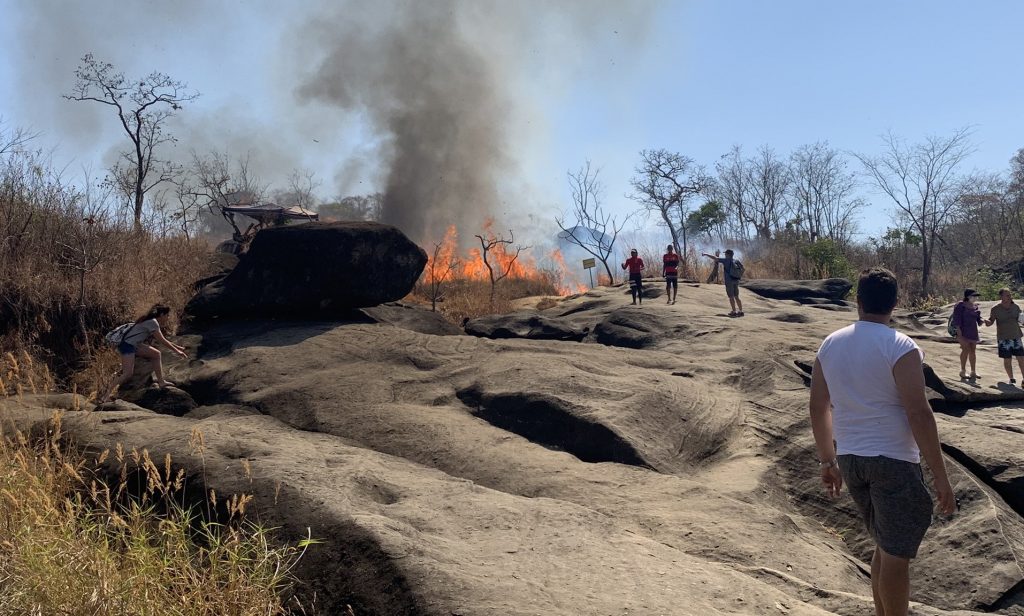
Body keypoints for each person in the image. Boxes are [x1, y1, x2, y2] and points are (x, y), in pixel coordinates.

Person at [810, 267, 955, 616]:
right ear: (895, 303)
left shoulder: (830, 344)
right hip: (892, 459)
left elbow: (818, 407)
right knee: (896, 556)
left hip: (851, 459)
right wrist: (940, 474)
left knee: (883, 545)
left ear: (857, 301)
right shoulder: (900, 346)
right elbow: (918, 413)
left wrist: (828, 461)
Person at [101, 304, 189, 402]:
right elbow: (162, 340)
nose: (168, 318)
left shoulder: (151, 321)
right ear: (162, 314)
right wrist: (177, 351)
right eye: (167, 315)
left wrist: (178, 347)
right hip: (127, 345)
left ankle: (161, 382)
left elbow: (163, 340)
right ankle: (106, 395)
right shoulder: (153, 322)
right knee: (127, 373)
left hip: (135, 344)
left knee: (156, 354)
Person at [984, 287, 1024, 384]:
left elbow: (1021, 319)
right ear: (1001, 296)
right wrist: (987, 322)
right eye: (1007, 295)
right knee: (1007, 359)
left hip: (1016, 336)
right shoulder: (995, 309)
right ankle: (1011, 379)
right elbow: (991, 321)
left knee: (1021, 359)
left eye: (1010, 295)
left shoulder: (1015, 307)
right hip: (1003, 338)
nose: (1009, 296)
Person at [951, 289, 983, 380]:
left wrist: (981, 321)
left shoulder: (975, 306)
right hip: (963, 331)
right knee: (965, 350)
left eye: (976, 296)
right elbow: (956, 318)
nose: (975, 298)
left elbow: (978, 318)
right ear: (968, 296)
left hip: (973, 331)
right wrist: (959, 332)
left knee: (973, 350)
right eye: (973, 296)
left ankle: (973, 371)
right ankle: (963, 371)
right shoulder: (960, 305)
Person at [701, 249, 743, 316]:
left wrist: (706, 254)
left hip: (729, 281)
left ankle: (734, 311)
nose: (725, 255)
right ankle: (740, 311)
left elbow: (715, 258)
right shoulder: (736, 261)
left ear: (728, 255)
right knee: (737, 296)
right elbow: (743, 269)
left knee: (731, 297)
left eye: (726, 254)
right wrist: (737, 276)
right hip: (736, 280)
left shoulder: (726, 260)